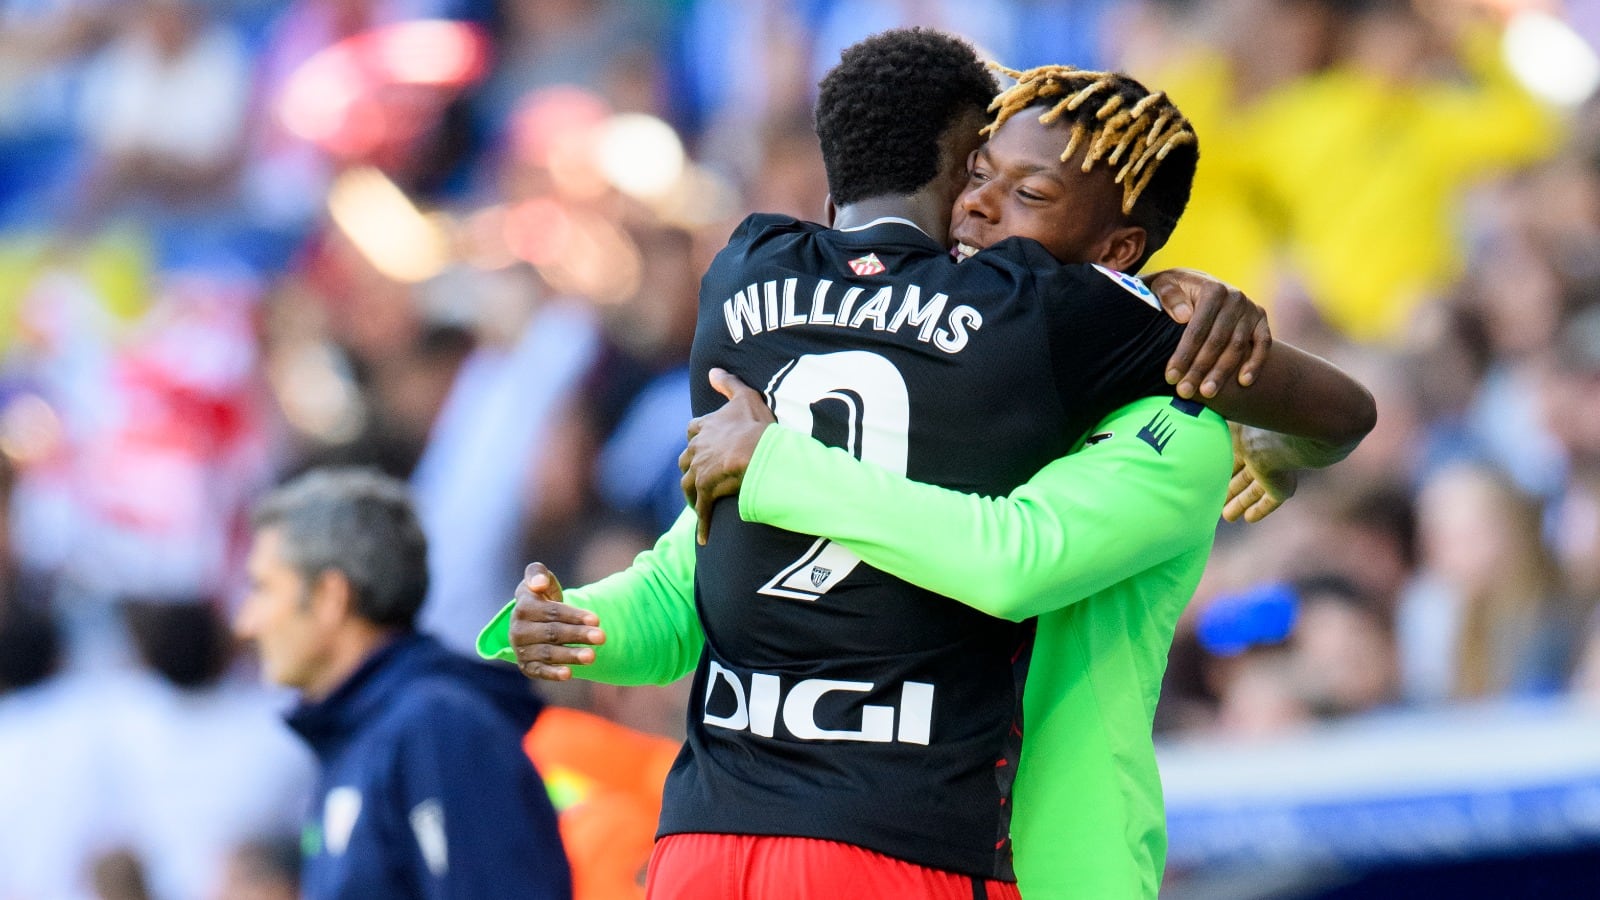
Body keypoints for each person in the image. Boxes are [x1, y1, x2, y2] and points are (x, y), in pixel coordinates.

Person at [483, 31, 1372, 899]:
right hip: (804, 838)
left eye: (1031, 192)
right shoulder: (933, 383)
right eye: (979, 173)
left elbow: (1018, 559)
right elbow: (690, 578)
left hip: (1046, 870)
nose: (980, 205)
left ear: (1118, 254)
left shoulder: (1173, 427)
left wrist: (1265, 426)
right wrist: (576, 622)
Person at [234, 468, 571, 900]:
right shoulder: (360, 738)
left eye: (262, 588)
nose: (245, 622)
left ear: (330, 598)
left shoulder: (436, 728)